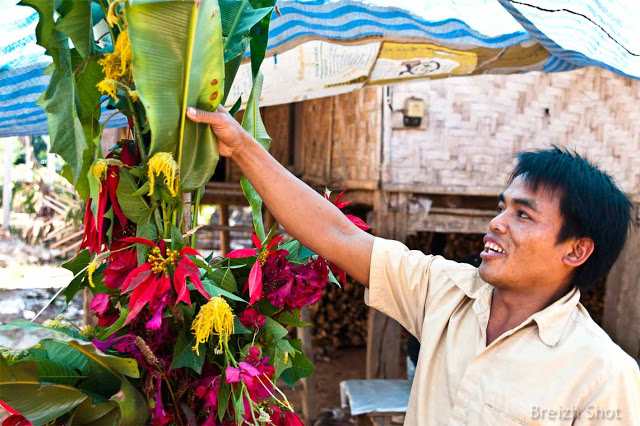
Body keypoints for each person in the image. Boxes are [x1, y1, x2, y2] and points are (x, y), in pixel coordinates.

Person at [186, 106, 640, 425]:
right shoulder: (445, 291)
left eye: (523, 215)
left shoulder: (603, 373)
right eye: (502, 208)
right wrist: (242, 147)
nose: (496, 224)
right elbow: (339, 235)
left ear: (576, 251)